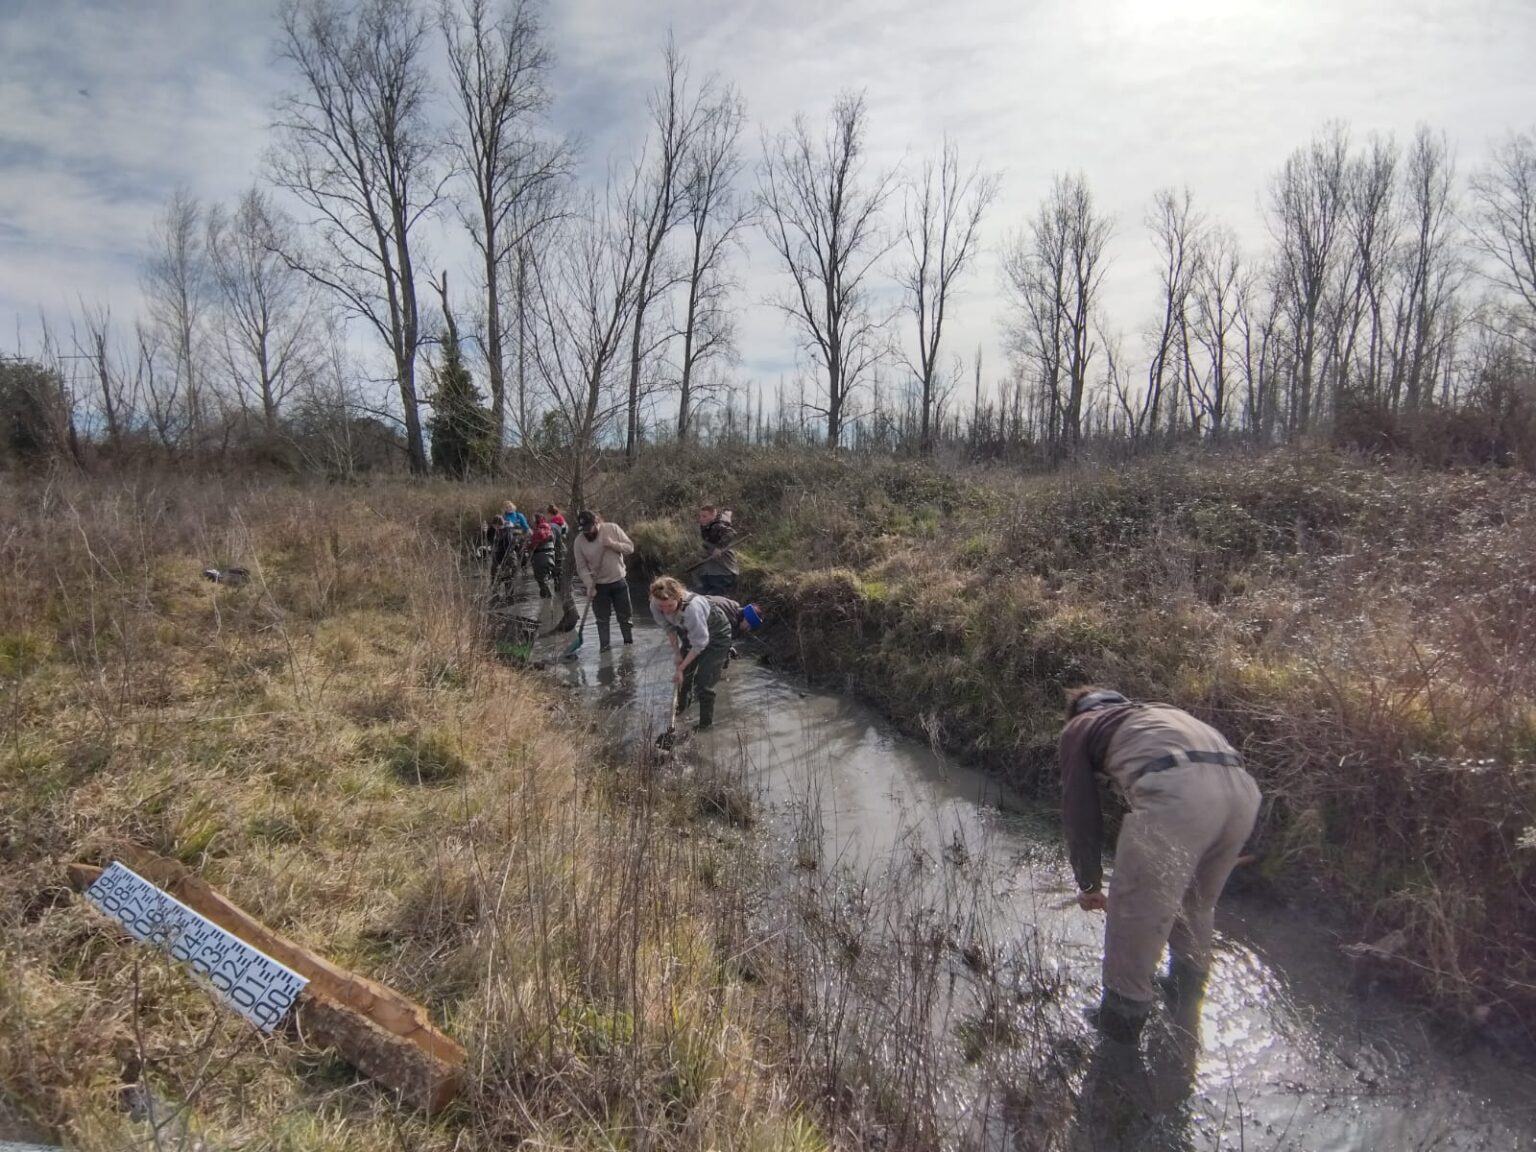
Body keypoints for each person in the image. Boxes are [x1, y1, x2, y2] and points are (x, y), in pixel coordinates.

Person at [1058, 686, 1261, 1044]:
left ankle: (1120, 1026)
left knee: (1134, 913)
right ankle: (1186, 997)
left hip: (1180, 795)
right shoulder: (1157, 712)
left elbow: (1080, 810)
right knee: (1196, 907)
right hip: (1242, 795)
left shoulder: (1081, 725)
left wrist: (1089, 883)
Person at [648, 576, 757, 732]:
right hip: (690, 631)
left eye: (670, 606)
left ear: (678, 597)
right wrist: (677, 654)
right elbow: (669, 628)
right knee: (684, 678)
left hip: (717, 633)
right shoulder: (655, 604)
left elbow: (699, 644)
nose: (665, 610)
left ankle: (705, 726)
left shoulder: (692, 609)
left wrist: (680, 668)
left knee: (704, 683)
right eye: (662, 607)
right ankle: (680, 712)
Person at [572, 509, 635, 651]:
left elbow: (630, 548)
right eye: (584, 530)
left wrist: (612, 544)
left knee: (625, 619)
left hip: (619, 582)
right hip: (599, 586)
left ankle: (628, 646)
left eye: (589, 528)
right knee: (602, 621)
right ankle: (604, 650)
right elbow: (581, 568)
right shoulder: (579, 541)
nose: (587, 533)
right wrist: (589, 585)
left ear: (596, 522)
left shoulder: (612, 528)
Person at [694, 504, 739, 595]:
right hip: (712, 570)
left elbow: (731, 533)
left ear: (713, 515)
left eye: (704, 516)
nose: (701, 518)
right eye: (700, 516)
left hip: (724, 571)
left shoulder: (717, 526)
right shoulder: (706, 528)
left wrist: (719, 548)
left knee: (717, 597)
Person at [525, 513, 558, 598]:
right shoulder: (549, 528)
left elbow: (535, 541)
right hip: (550, 554)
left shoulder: (540, 529)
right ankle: (550, 598)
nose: (531, 521)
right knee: (547, 577)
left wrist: (528, 544)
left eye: (533, 519)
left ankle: (547, 601)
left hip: (541, 555)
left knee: (541, 579)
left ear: (537, 520)